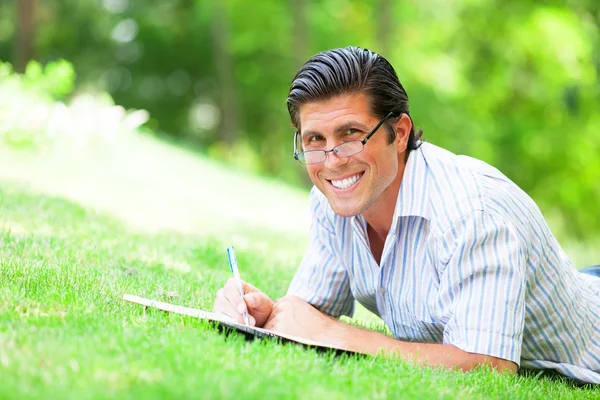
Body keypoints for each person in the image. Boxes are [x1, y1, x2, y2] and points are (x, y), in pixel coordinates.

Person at [213, 46, 600, 384]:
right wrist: (270, 314)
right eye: (316, 139)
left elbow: (489, 365)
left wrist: (340, 336)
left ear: (399, 133)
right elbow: (312, 312)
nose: (332, 161)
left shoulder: (471, 214)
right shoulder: (331, 202)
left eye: (350, 134)